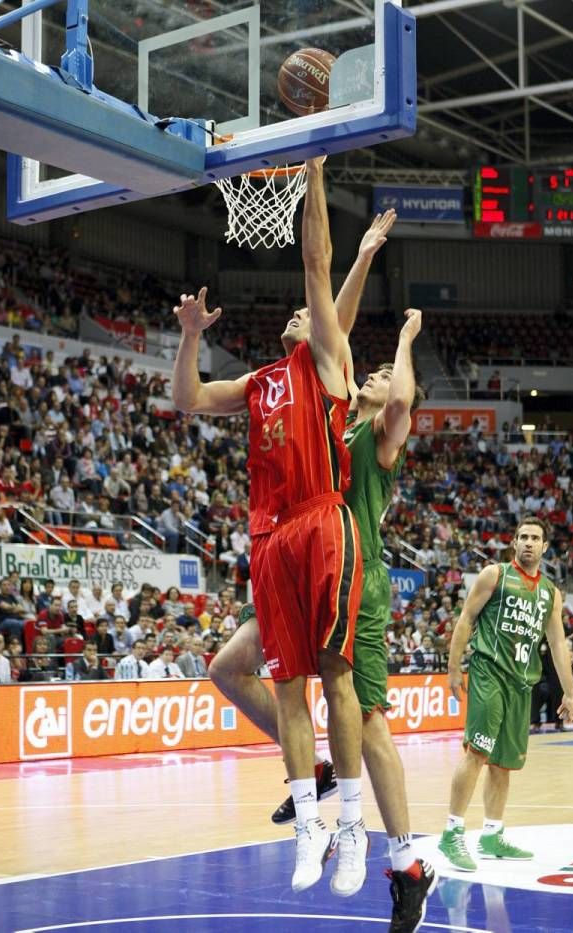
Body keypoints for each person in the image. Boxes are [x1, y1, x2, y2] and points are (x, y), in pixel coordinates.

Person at [172, 158, 370, 897]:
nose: (299, 309)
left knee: (337, 675)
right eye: (293, 310)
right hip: (269, 535)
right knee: (287, 685)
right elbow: (187, 397)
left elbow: (316, 258)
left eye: (307, 307)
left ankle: (353, 824)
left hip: (322, 521)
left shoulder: (326, 356)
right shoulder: (258, 383)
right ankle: (313, 820)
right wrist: (191, 334)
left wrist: (314, 170)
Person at [209, 312, 436, 930]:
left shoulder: (380, 436)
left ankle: (408, 863)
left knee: (369, 723)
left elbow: (402, 400)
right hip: (301, 568)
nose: (381, 377)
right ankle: (314, 768)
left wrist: (405, 344)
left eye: (388, 376)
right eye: (377, 369)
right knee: (227, 668)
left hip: (353, 583)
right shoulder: (328, 414)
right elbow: (311, 351)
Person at [438, 517, 573, 871]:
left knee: (503, 764)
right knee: (478, 751)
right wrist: (454, 668)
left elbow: (558, 644)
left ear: (545, 547)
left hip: (521, 682)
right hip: (489, 672)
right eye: (523, 537)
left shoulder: (551, 593)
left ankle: (491, 834)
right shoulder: (494, 575)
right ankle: (452, 832)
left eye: (536, 538)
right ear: (514, 542)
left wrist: (570, 693)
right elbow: (466, 619)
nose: (529, 543)